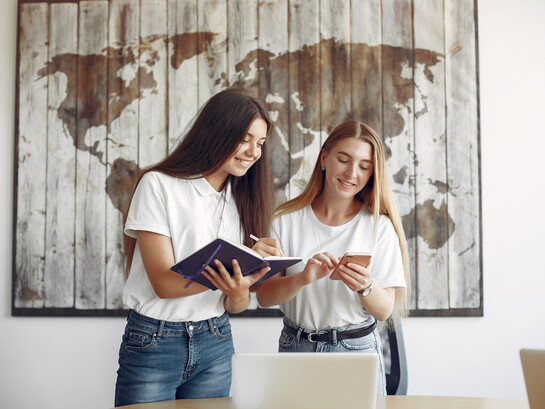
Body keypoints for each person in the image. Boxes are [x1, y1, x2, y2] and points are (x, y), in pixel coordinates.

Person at [115, 88, 283, 406]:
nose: (253, 152)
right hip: (154, 340)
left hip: (216, 339)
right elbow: (164, 284)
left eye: (260, 143)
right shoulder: (158, 185)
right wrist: (236, 263)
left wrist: (240, 285)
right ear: (218, 132)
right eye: (245, 139)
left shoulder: (243, 198)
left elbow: (235, 304)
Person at [256, 120, 410, 395]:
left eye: (364, 166)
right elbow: (264, 297)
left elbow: (384, 310)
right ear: (324, 158)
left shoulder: (379, 227)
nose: (352, 173)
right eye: (343, 159)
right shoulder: (285, 220)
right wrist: (302, 279)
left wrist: (366, 286)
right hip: (296, 348)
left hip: (357, 351)